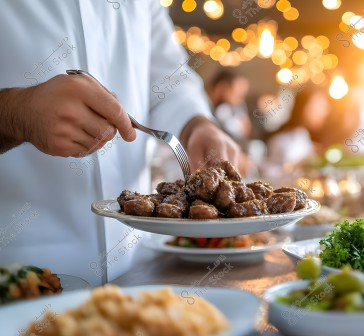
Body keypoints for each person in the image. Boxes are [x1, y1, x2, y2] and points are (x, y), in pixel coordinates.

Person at [0, 1, 241, 285]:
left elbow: (169, 77)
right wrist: (13, 113)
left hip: (138, 267)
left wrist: (197, 125)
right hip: (17, 274)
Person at [207, 70, 252, 149]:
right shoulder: (200, 108)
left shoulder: (228, 113)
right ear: (221, 87)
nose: (241, 101)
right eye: (238, 94)